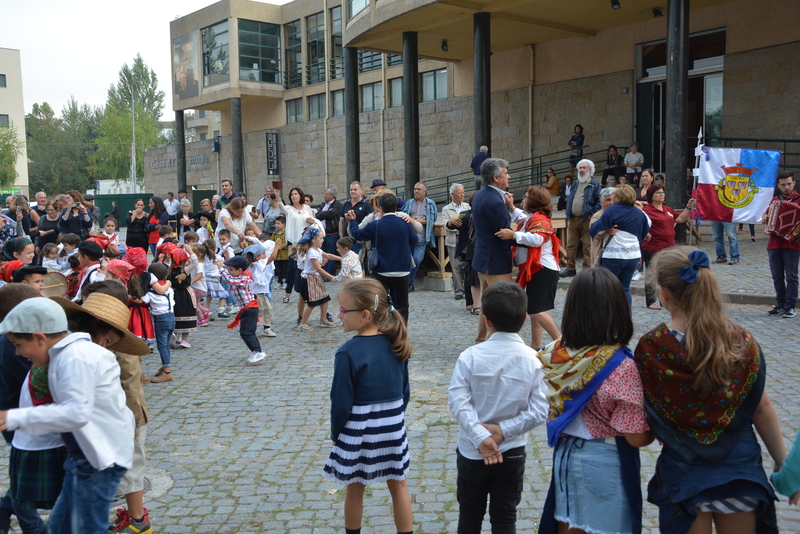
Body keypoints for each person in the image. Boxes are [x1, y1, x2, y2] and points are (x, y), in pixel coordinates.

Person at [634, 247, 785, 534]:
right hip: (740, 469)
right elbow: (761, 407)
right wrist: (781, 461)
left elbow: (647, 415)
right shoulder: (741, 341)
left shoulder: (652, 347)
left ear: (663, 293)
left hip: (683, 469)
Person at [0, 297, 137, 534]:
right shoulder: (65, 356)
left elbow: (76, 413)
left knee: (87, 528)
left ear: (39, 338)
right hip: (84, 456)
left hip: (98, 460)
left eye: (18, 345)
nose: (18, 353)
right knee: (60, 527)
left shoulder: (76, 357)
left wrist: (14, 418)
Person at [538, 267, 653, 534]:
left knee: (567, 524)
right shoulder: (619, 366)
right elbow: (635, 437)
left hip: (565, 455)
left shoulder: (556, 355)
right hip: (604, 460)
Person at [448, 281, 548, 534]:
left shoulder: (469, 356)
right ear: (526, 319)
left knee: (469, 516)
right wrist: (503, 431)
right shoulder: (533, 360)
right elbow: (540, 410)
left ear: (486, 318)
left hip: (472, 451)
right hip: (511, 450)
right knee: (505, 518)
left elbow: (458, 402)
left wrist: (481, 436)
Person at [322, 278, 413, 534]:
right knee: (399, 485)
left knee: (355, 486)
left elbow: (340, 402)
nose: (339, 315)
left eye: (343, 310)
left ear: (364, 315)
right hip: (393, 427)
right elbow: (405, 392)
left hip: (360, 431)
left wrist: (337, 435)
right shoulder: (397, 343)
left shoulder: (347, 353)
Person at [0, 284, 64, 534]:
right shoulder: (15, 345)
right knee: (25, 481)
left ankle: (6, 509)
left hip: (23, 417)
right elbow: (37, 384)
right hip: (21, 419)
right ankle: (33, 527)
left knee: (25, 478)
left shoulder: (15, 340)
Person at [496, 185, 562, 349]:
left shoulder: (539, 219)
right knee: (535, 309)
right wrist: (512, 208)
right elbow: (524, 221)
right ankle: (535, 345)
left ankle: (562, 342)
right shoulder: (534, 218)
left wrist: (514, 235)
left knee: (534, 309)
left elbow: (537, 239)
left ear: (533, 201)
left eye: (526, 197)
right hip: (539, 269)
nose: (523, 200)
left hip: (543, 269)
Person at [347, 192, 418, 324]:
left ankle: (382, 329)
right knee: (403, 304)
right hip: (402, 270)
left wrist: (352, 221)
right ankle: (401, 331)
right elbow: (414, 240)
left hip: (381, 270)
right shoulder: (404, 222)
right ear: (396, 207)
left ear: (381, 207)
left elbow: (357, 235)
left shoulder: (375, 224)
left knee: (380, 303)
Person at [471, 158, 516, 344]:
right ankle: (490, 345)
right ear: (496, 178)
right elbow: (504, 232)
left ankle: (481, 340)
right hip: (496, 260)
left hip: (483, 257)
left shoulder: (481, 195)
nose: (508, 176)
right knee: (503, 305)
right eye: (506, 173)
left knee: (487, 304)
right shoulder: (496, 201)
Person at [589, 184, 651, 308]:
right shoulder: (638, 212)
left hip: (614, 255)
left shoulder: (613, 209)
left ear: (619, 197)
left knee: (607, 288)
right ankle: (626, 318)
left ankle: (608, 318)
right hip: (632, 256)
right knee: (625, 288)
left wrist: (604, 231)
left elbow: (598, 228)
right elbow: (647, 226)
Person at [641, 184, 696, 309]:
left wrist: (688, 206)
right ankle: (651, 301)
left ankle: (665, 300)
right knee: (652, 275)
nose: (661, 195)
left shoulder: (668, 209)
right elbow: (639, 223)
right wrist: (646, 232)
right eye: (658, 193)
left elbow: (681, 219)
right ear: (651, 196)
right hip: (652, 248)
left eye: (663, 193)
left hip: (669, 248)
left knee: (667, 275)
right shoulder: (647, 210)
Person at [762, 170, 799, 318]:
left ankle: (790, 306)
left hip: (792, 244)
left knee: (791, 276)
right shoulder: (775, 201)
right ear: (778, 185)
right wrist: (765, 217)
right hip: (774, 243)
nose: (786, 187)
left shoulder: (799, 200)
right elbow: (765, 215)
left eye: (789, 184)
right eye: (783, 185)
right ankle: (780, 304)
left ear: (794, 183)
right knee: (777, 276)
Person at [218, 255, 267, 364]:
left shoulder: (244, 278)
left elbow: (230, 280)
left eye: (231, 270)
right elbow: (231, 274)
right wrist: (226, 260)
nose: (229, 272)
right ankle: (256, 351)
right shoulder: (239, 275)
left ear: (240, 270)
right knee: (249, 332)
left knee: (246, 333)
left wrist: (221, 269)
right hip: (247, 309)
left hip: (250, 309)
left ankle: (258, 351)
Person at [277, 186, 322, 304]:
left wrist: (312, 221)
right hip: (293, 242)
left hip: (305, 242)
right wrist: (277, 195)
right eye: (292, 194)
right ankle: (288, 292)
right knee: (292, 268)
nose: (293, 196)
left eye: (296, 194)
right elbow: (281, 206)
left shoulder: (307, 208)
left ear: (300, 195)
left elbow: (314, 221)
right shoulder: (288, 209)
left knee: (305, 268)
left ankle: (305, 293)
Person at [561, 159, 601, 278]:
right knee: (571, 245)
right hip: (573, 218)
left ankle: (586, 269)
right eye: (580, 168)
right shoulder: (575, 183)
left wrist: (592, 213)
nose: (582, 170)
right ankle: (570, 268)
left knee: (587, 245)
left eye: (584, 168)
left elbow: (599, 202)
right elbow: (571, 199)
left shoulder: (595, 184)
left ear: (590, 170)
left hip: (586, 219)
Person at [296, 228, 335, 331]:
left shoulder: (317, 250)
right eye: (321, 238)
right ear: (313, 240)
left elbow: (328, 255)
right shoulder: (312, 252)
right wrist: (331, 277)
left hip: (315, 278)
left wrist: (342, 259)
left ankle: (323, 319)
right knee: (312, 303)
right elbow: (318, 269)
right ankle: (303, 324)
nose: (323, 240)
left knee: (324, 299)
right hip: (309, 279)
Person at [142, 262, 175, 383]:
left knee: (162, 346)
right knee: (165, 345)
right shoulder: (169, 288)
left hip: (161, 319)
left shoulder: (150, 293)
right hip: (171, 317)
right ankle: (165, 367)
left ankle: (167, 372)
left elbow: (142, 301)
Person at [403, 182, 438, 291]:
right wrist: (410, 220)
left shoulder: (430, 204)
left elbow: (434, 219)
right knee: (407, 261)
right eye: (415, 189)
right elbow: (402, 216)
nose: (416, 191)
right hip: (408, 238)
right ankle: (409, 284)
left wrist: (422, 221)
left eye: (418, 189)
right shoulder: (409, 203)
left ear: (424, 192)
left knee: (417, 260)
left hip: (422, 238)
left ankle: (408, 282)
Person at [441, 183, 470, 301]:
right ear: (453, 194)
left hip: (466, 239)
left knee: (468, 264)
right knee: (456, 266)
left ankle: (469, 290)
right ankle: (458, 291)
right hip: (453, 239)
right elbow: (446, 226)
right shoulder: (446, 209)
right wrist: (452, 222)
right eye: (459, 192)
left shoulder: (468, 207)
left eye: (463, 192)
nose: (462, 195)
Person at [315, 188, 342, 276]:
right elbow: (317, 216)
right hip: (322, 234)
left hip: (332, 233)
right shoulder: (323, 205)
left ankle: (329, 273)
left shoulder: (337, 205)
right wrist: (325, 213)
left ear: (332, 195)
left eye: (326, 194)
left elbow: (330, 214)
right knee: (322, 254)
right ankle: (322, 273)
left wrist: (324, 214)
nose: (324, 196)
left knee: (330, 254)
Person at [338, 181, 372, 254]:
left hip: (359, 240)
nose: (353, 191)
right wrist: (341, 237)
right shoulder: (346, 204)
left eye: (355, 189)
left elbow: (370, 222)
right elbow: (341, 222)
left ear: (361, 191)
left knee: (358, 263)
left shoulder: (366, 204)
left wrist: (362, 239)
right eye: (351, 190)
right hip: (346, 241)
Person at [589, 187, 616, 267]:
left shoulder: (619, 214)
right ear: (601, 202)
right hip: (602, 254)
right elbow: (594, 235)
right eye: (608, 200)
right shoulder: (597, 216)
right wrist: (605, 232)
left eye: (613, 199)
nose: (611, 202)